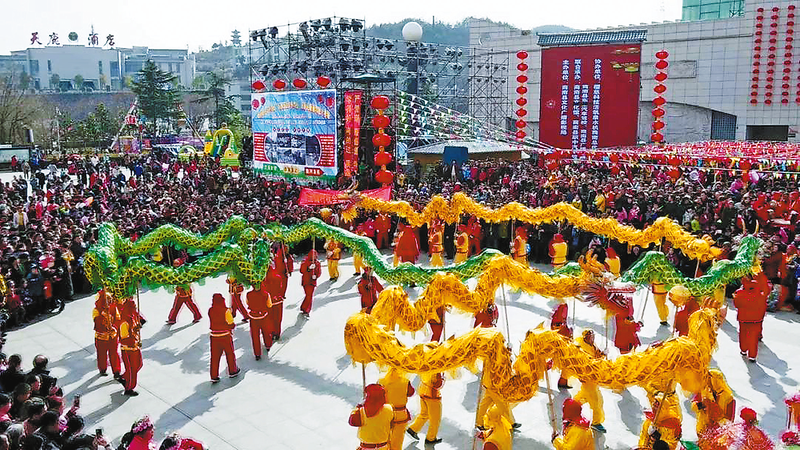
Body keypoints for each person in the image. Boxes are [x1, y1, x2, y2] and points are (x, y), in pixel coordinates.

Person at [573, 330, 606, 433]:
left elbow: (597, 356)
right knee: (597, 401)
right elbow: (587, 362)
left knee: (583, 396)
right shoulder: (581, 349)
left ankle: (571, 407)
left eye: (593, 336)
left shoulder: (593, 345)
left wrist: (603, 354)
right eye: (590, 336)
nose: (592, 338)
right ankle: (596, 422)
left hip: (594, 378)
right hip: (587, 378)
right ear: (585, 338)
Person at [734, 272, 769, 363]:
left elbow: (736, 304)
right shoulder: (759, 291)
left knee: (743, 334)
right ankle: (752, 355)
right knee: (753, 337)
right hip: (756, 318)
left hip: (743, 317)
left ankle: (743, 349)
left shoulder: (739, 293)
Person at [378, 368, 414, 450]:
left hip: (386, 413)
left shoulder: (381, 381)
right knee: (398, 440)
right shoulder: (405, 381)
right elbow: (411, 393)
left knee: (384, 439)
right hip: (401, 414)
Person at [348, 384, 393, 450]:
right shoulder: (389, 409)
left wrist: (358, 407)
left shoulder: (361, 411)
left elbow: (352, 422)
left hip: (366, 447)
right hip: (383, 447)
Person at [691, 368, 735, 435]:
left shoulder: (728, 397)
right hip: (703, 428)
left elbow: (730, 419)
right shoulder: (704, 391)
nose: (707, 382)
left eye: (709, 379)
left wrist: (716, 422)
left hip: (720, 432)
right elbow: (693, 405)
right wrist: (701, 405)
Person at [208, 293, 240, 383]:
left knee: (214, 356)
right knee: (229, 354)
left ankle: (214, 375)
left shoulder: (210, 310)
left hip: (214, 336)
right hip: (225, 335)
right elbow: (230, 323)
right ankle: (232, 370)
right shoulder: (225, 310)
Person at [406, 372, 444, 444]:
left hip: (423, 389)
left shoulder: (426, 366)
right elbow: (438, 385)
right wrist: (442, 378)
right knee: (435, 419)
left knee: (424, 414)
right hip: (432, 395)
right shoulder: (437, 370)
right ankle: (431, 438)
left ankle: (413, 429)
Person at [92, 291, 121, 380]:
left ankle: (116, 371)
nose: (109, 301)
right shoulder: (96, 310)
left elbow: (117, 319)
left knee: (114, 354)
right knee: (101, 354)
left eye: (109, 299)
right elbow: (97, 323)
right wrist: (103, 316)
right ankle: (102, 369)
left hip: (112, 336)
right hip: (101, 337)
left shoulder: (114, 308)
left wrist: (114, 327)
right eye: (106, 299)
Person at [118, 299, 143, 396]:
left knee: (139, 365)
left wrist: (136, 330)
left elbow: (133, 332)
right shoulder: (124, 322)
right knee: (132, 369)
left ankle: (124, 377)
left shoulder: (133, 318)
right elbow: (124, 338)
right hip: (128, 350)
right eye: (133, 307)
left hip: (135, 347)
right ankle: (129, 388)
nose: (135, 309)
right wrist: (133, 340)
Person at [245, 279, 272, 360]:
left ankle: (257, 354)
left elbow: (247, 303)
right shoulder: (266, 294)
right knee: (266, 332)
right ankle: (268, 345)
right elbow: (269, 305)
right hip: (263, 316)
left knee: (255, 336)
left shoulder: (248, 294)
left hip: (253, 317)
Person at [550, 304, 573, 389]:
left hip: (565, 347)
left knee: (568, 365)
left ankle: (563, 381)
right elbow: (557, 329)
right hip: (558, 346)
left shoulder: (562, 320)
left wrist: (570, 331)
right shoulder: (557, 321)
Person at [299, 250, 321, 317]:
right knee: (308, 295)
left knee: (309, 295)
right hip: (306, 281)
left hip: (312, 282)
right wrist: (308, 268)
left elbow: (319, 272)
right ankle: (305, 308)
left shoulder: (317, 263)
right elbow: (302, 271)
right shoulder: (304, 262)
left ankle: (305, 309)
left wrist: (316, 276)